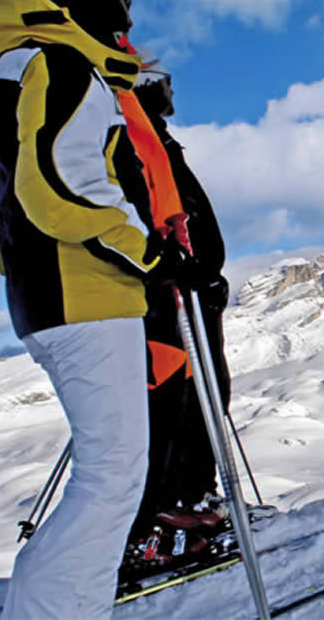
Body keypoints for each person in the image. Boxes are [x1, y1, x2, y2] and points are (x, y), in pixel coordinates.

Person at [0, 0, 183, 618]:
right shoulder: (60, 63)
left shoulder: (6, 78)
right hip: (84, 291)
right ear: (91, 4)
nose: (124, 26)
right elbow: (58, 186)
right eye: (118, 8)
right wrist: (148, 252)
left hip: (51, 295)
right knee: (113, 477)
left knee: (107, 475)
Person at [117, 51, 234, 577]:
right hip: (162, 290)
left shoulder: (155, 136)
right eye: (153, 77)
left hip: (190, 287)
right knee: (170, 406)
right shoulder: (124, 130)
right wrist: (167, 264)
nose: (163, 86)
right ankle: (151, 527)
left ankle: (190, 503)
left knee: (206, 396)